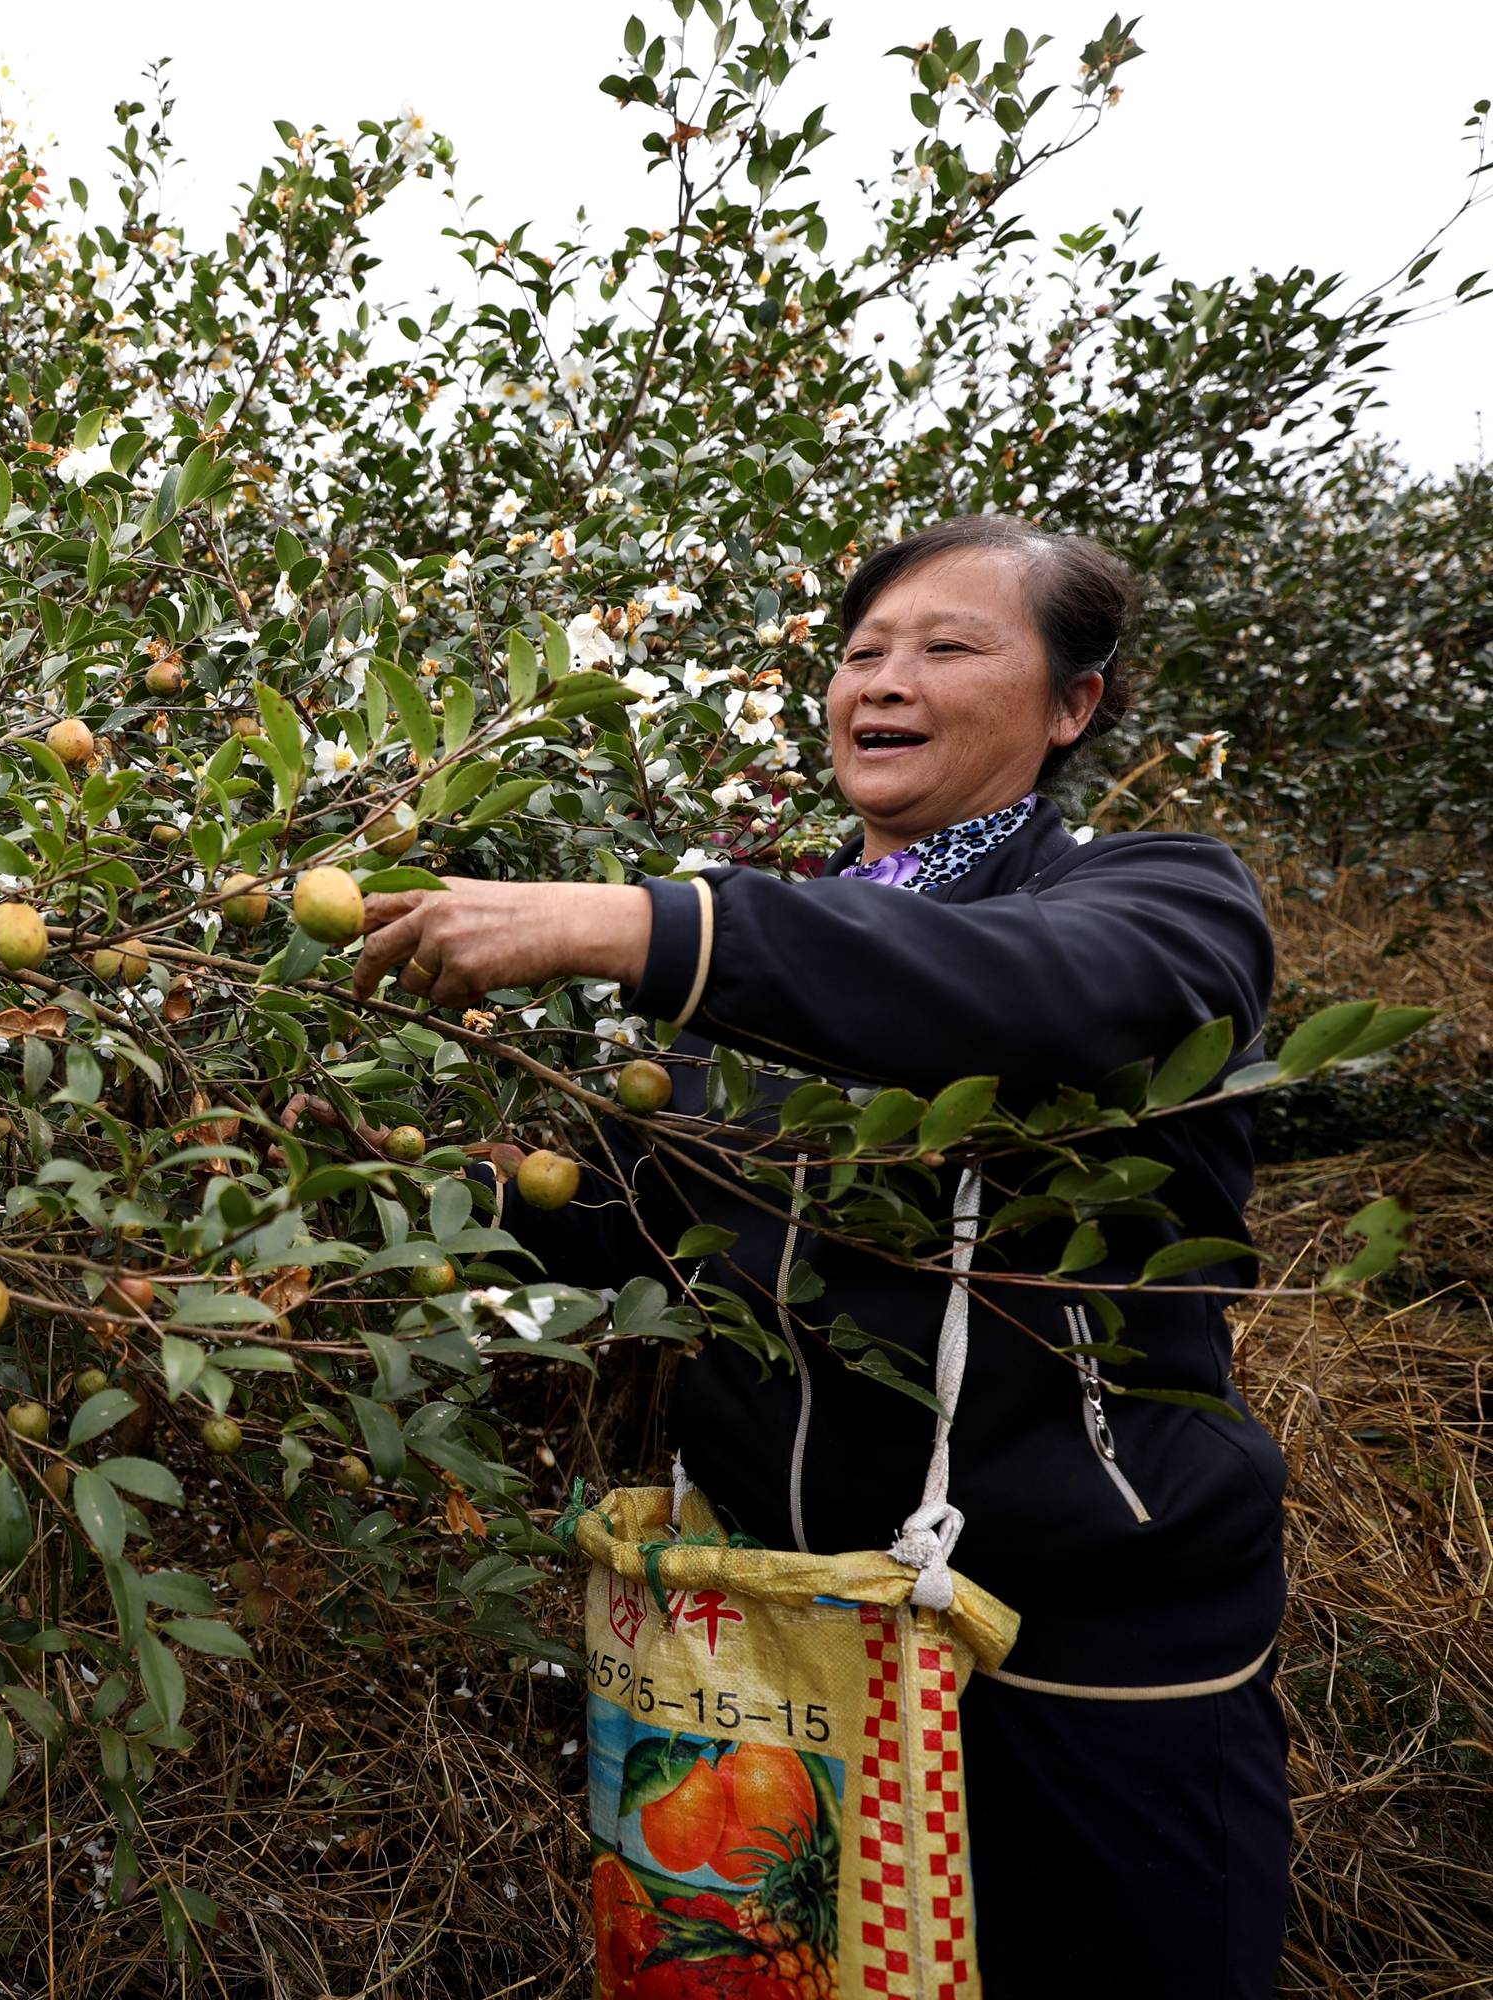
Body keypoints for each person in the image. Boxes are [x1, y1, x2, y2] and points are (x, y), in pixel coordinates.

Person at [353, 515, 1289, 1997]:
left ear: (1073, 704)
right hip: (789, 1645)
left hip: (1078, 1656)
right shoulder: (795, 938)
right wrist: (372, 1180)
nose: (884, 682)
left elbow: (1029, 993)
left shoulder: (1164, 902)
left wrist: (638, 925)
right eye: (861, 654)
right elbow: (634, 1212)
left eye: (948, 647)